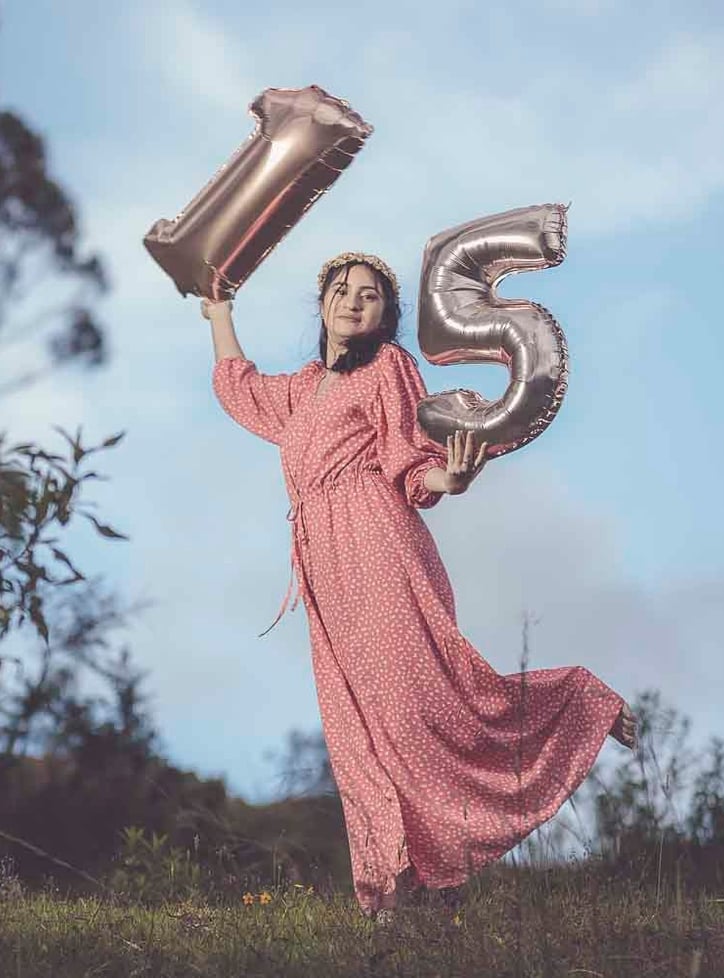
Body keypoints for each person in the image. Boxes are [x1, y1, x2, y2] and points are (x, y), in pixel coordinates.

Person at [203, 252, 638, 923]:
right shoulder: (303, 391)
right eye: (342, 291)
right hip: (325, 571)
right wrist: (220, 312)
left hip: (378, 547)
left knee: (420, 708)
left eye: (370, 296)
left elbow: (410, 463)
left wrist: (451, 480)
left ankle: (578, 704)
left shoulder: (387, 369)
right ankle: (395, 892)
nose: (353, 303)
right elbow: (240, 386)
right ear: (321, 303)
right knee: (358, 734)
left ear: (387, 316)